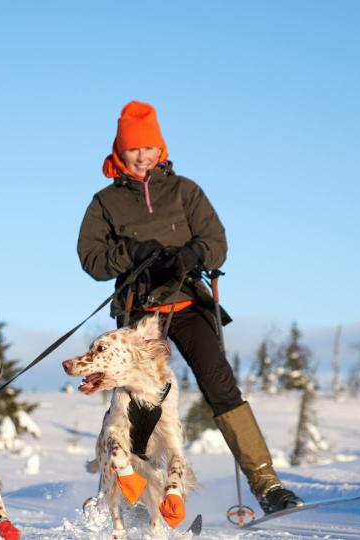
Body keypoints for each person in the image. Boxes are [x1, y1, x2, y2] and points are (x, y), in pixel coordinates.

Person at [76, 100, 303, 514]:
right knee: (137, 402)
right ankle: (134, 494)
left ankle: (268, 486)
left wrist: (195, 254)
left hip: (187, 302)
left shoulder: (185, 191)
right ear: (119, 152)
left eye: (149, 148)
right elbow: (91, 259)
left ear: (160, 149)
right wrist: (131, 253)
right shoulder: (105, 202)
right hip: (140, 309)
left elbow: (217, 243)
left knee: (220, 385)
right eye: (133, 150)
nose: (142, 157)